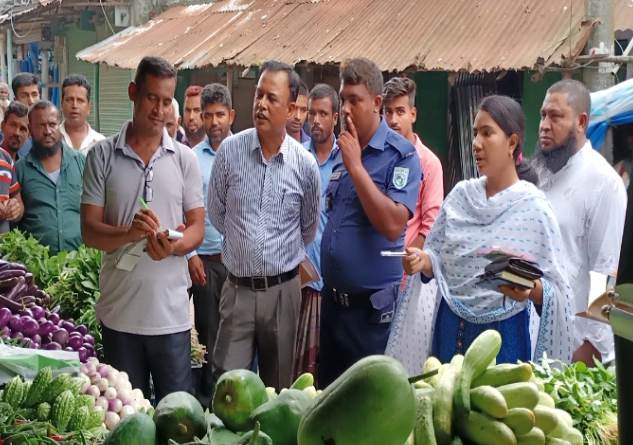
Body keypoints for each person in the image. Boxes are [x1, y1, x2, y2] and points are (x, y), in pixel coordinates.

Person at [402, 95, 573, 365]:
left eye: (487, 133)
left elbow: (558, 292)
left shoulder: (534, 209)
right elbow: (436, 257)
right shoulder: (460, 197)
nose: (476, 144)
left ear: (512, 142)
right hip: (449, 332)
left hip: (504, 342)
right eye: (474, 134)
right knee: (445, 404)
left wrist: (530, 289)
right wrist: (422, 261)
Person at [81, 56, 205, 401]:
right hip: (120, 316)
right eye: (152, 98)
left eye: (166, 101)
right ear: (134, 92)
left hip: (171, 318)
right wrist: (129, 233)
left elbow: (197, 227)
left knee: (177, 418)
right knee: (126, 422)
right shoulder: (101, 156)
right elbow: (90, 231)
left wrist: (176, 247)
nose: (159, 110)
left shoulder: (184, 158)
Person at [208, 60, 320, 389]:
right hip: (237, 290)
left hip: (283, 293)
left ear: (290, 108)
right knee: (227, 388)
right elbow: (217, 214)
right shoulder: (230, 152)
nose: (260, 104)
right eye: (258, 95)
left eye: (271, 98)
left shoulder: (304, 165)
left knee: (279, 391)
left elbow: (308, 229)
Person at [318, 58, 421, 386]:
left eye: (355, 100)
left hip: (370, 315)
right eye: (343, 99)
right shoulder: (342, 149)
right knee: (327, 404)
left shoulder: (400, 155)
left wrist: (357, 168)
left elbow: (393, 224)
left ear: (377, 103)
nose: (345, 109)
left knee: (366, 406)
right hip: (332, 306)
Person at [533, 79, 627, 366]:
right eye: (542, 115)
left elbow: (606, 273)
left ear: (581, 121)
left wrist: (589, 349)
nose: (545, 125)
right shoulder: (539, 173)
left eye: (556, 116)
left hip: (577, 350)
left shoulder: (603, 183)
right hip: (534, 334)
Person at [188, 83, 234, 398]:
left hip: (236, 263)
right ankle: (206, 401)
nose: (214, 122)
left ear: (231, 115)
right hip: (204, 261)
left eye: (220, 114)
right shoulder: (191, 158)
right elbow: (183, 207)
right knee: (207, 333)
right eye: (208, 115)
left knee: (234, 335)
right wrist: (190, 254)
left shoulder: (246, 151)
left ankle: (232, 396)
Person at [294, 83, 340, 382]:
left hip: (333, 280)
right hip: (300, 277)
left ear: (336, 117)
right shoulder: (297, 156)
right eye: (312, 113)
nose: (316, 120)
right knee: (296, 367)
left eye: (324, 114)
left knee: (329, 367)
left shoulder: (347, 160)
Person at [16, 101, 84, 254]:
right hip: (37, 266)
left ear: (60, 126)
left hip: (81, 265)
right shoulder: (20, 170)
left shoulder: (81, 162)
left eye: (52, 124)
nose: (47, 131)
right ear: (30, 130)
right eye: (40, 125)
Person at [383, 77, 443, 248]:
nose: (393, 120)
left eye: (400, 111)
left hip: (407, 268)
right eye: (388, 112)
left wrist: (406, 264)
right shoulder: (376, 158)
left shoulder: (429, 163)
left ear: (413, 114)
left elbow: (431, 226)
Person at [59, 74, 105, 156]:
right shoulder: (51, 139)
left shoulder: (101, 143)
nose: (74, 105)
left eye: (80, 100)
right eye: (69, 100)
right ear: (62, 104)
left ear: (89, 107)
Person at [0, 102, 25, 232]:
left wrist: (16, 209)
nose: (17, 132)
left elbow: (17, 200)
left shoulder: (11, 161)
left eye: (23, 129)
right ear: (3, 126)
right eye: (13, 125)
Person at [12, 73, 40, 159]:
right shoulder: (8, 134)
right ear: (15, 100)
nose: (31, 101)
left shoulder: (50, 130)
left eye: (34, 95)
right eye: (24, 96)